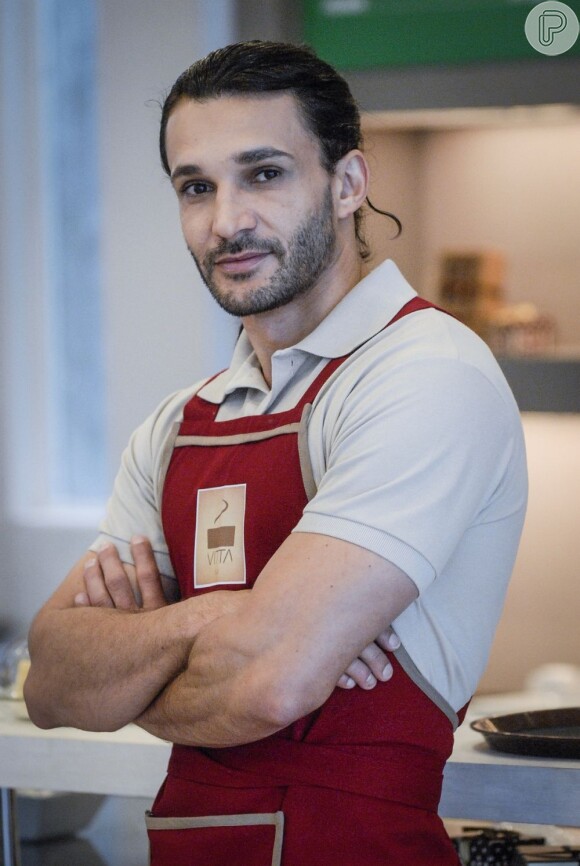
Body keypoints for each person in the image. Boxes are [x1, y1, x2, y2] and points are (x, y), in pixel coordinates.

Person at [24, 40, 528, 866]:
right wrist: (221, 618)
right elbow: (50, 683)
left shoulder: (426, 373)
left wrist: (138, 667)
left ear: (348, 183)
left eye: (263, 173)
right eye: (197, 187)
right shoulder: (176, 423)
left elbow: (270, 685)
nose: (226, 221)